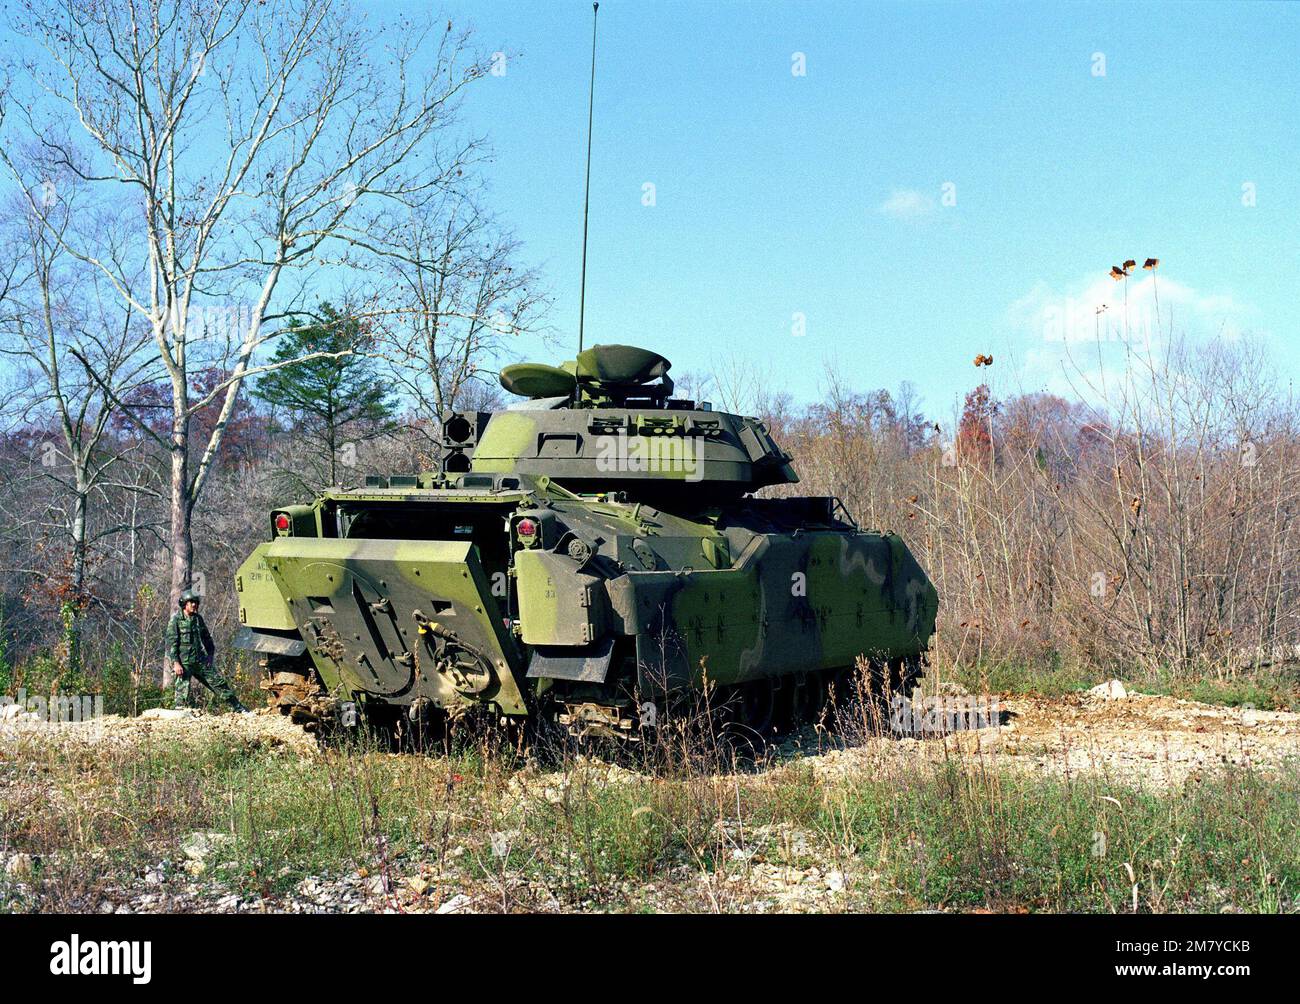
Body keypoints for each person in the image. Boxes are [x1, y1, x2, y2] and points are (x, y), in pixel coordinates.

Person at [166, 589, 250, 713]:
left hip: (200, 660)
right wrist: (176, 663)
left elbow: (206, 638)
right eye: (191, 602)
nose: (194, 605)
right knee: (181, 693)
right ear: (185, 604)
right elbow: (171, 643)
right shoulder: (176, 620)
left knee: (218, 683)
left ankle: (238, 708)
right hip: (184, 663)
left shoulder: (198, 619)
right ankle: (180, 716)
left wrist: (210, 655)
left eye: (196, 602)